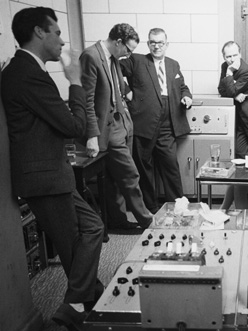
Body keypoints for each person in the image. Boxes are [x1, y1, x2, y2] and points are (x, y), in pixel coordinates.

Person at [2, 7, 104, 328]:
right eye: (57, 32)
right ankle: (74, 306)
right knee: (75, 245)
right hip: (44, 179)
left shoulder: (28, 71)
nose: (62, 40)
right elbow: (72, 124)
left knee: (91, 229)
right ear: (39, 32)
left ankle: (90, 298)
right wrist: (75, 82)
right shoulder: (24, 73)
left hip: (52, 175)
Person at [80, 23, 153, 229]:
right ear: (118, 42)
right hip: (107, 128)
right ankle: (147, 221)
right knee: (130, 175)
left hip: (122, 122)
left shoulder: (113, 58)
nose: (128, 55)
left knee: (115, 177)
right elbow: (86, 100)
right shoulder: (91, 56)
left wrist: (127, 118)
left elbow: (117, 89)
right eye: (128, 50)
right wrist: (92, 135)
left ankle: (118, 221)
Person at [120, 28, 192, 213]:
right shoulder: (136, 60)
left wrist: (187, 97)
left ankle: (177, 206)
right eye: (153, 42)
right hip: (144, 123)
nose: (156, 46)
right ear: (148, 44)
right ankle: (149, 209)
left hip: (168, 124)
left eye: (160, 42)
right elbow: (113, 69)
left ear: (166, 44)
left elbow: (182, 86)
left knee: (171, 168)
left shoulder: (173, 65)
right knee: (144, 169)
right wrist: (125, 90)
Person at [218, 41, 248, 159]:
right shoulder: (224, 66)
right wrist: (235, 95)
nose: (232, 59)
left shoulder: (246, 70)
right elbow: (221, 89)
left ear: (240, 54)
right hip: (237, 117)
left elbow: (230, 91)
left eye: (235, 55)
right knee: (240, 152)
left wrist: (229, 74)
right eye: (228, 56)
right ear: (224, 57)